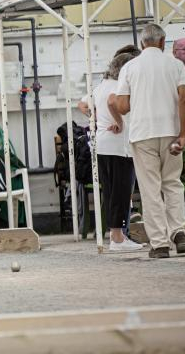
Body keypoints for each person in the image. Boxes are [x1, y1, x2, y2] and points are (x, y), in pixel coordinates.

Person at [109, 23, 185, 258]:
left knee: (151, 189)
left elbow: (123, 106)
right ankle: (179, 233)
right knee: (173, 183)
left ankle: (160, 244)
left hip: (142, 134)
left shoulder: (130, 68)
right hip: (171, 132)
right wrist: (184, 133)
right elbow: (184, 99)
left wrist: (124, 101)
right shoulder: (176, 65)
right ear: (163, 42)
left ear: (142, 42)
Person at [81, 53, 143, 251]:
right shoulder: (118, 87)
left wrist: (97, 116)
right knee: (122, 192)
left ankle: (115, 236)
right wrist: (119, 122)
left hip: (102, 145)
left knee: (110, 192)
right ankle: (118, 237)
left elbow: (82, 104)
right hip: (119, 147)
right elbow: (111, 102)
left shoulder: (100, 86)